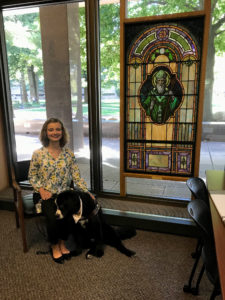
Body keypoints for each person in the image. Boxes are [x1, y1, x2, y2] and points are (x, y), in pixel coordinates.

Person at [28, 117, 94, 264]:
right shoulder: (38, 154)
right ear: (45, 132)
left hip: (64, 195)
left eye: (58, 129)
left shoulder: (69, 154)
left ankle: (63, 243)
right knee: (52, 218)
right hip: (45, 194)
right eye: (51, 129)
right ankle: (54, 246)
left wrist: (86, 192)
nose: (55, 132)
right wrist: (41, 189)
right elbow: (32, 176)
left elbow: (76, 176)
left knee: (69, 215)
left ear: (62, 132)